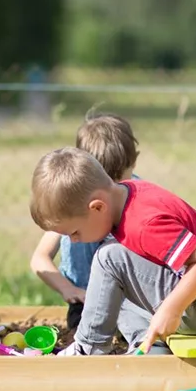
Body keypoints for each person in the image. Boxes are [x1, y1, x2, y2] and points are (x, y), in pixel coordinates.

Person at [28, 148, 196, 356]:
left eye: (74, 232)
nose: (73, 241)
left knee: (108, 259)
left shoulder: (144, 223)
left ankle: (88, 349)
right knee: (108, 292)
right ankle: (149, 347)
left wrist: (171, 309)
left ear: (98, 207)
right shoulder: (127, 194)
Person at [30, 114, 146, 346]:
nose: (109, 190)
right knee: (82, 337)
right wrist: (68, 289)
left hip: (130, 304)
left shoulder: (140, 199)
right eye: (103, 180)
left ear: (133, 163)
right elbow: (40, 258)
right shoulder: (73, 202)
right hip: (85, 301)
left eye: (118, 181)